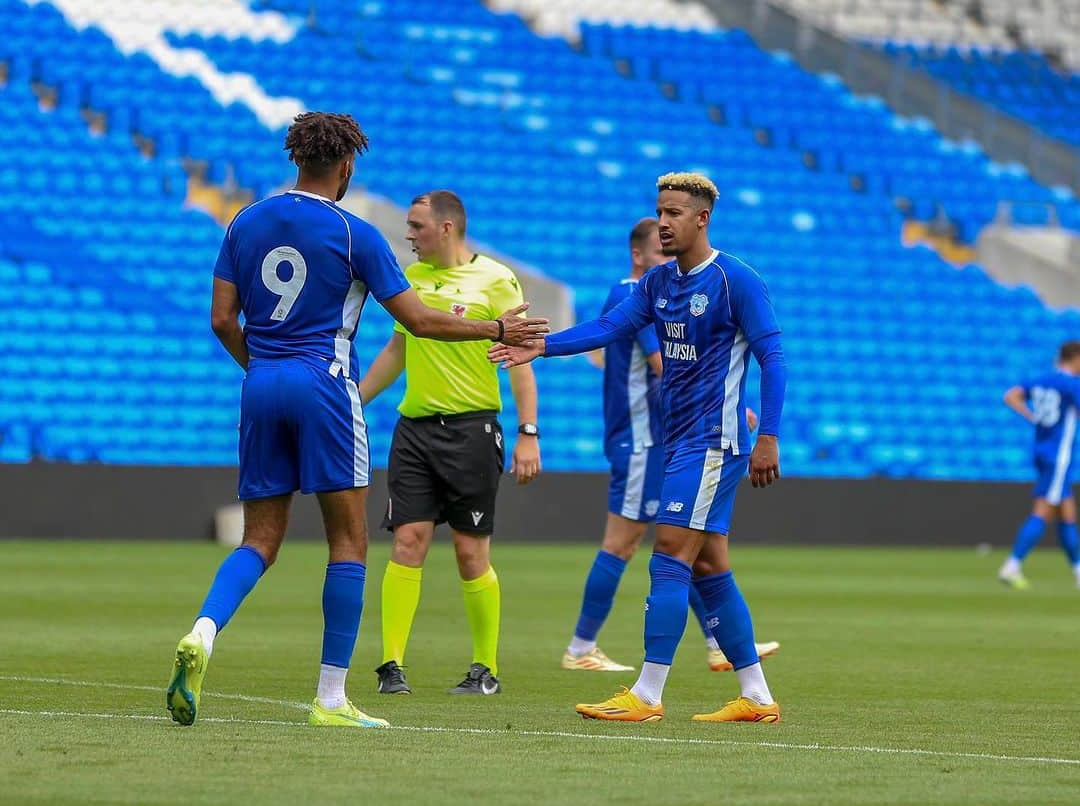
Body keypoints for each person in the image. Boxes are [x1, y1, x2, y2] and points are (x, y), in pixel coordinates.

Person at [166, 113, 548, 728]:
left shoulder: (244, 221)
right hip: (325, 386)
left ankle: (203, 632)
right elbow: (420, 323)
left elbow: (220, 320)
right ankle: (332, 699)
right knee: (346, 541)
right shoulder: (356, 234)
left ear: (297, 157)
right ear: (346, 167)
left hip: (261, 383)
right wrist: (498, 328)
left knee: (259, 540)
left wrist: (259, 367)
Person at [491, 172, 786, 723]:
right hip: (679, 442)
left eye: (674, 214)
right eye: (660, 212)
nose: (663, 223)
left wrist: (767, 434)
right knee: (708, 567)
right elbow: (608, 327)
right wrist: (542, 346)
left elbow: (773, 358)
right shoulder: (658, 285)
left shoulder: (735, 280)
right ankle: (757, 697)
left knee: (670, 554)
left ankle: (647, 695)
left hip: (713, 442)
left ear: (702, 219)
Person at [562, 218, 779, 674]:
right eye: (659, 254)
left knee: (690, 546)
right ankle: (582, 648)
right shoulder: (633, 293)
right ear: (639, 255)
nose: (670, 264)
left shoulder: (676, 286)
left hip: (667, 436)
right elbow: (665, 363)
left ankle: (719, 647)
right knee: (629, 544)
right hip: (643, 438)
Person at [359, 190, 541, 696]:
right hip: (415, 430)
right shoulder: (410, 280)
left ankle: (485, 668)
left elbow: (520, 356)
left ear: (446, 228)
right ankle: (391, 664)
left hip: (473, 431)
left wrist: (529, 432)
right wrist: (355, 400)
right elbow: (398, 348)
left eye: (417, 225)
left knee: (469, 553)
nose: (409, 234)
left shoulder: (497, 280)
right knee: (407, 541)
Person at [998, 340, 1080, 589]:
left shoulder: (1042, 380)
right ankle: (1011, 566)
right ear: (1075, 358)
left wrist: (1032, 417)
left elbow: (1010, 396)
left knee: (1067, 512)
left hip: (1042, 451)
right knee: (1043, 509)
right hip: (1059, 455)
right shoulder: (1071, 385)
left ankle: (1078, 572)